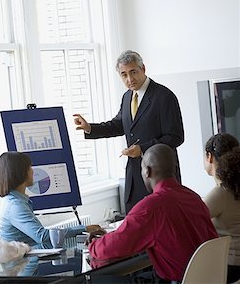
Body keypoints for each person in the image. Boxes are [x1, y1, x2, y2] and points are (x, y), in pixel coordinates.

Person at [87, 144, 218, 283]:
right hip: (208, 279)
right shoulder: (194, 197)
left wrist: (94, 245)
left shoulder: (151, 207)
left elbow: (112, 247)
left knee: (93, 281)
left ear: (147, 171)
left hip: (177, 280)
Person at [73, 50, 184, 213]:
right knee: (136, 226)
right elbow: (119, 125)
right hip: (135, 176)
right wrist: (90, 128)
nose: (129, 79)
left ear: (143, 69)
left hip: (161, 177)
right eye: (124, 75)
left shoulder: (164, 96)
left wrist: (142, 149)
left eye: (133, 72)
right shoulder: (127, 97)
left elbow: (176, 137)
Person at [0, 151, 103, 246]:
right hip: (26, 261)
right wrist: (83, 228)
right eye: (29, 167)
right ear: (20, 172)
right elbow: (42, 236)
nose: (32, 171)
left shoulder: (14, 201)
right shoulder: (15, 206)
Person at [203, 133, 240, 283]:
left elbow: (191, 219)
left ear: (209, 157)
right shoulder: (234, 188)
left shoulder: (221, 193)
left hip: (231, 267)